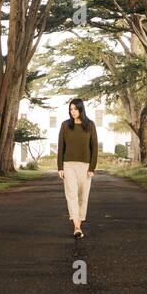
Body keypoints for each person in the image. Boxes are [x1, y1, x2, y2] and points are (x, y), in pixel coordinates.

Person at [57, 97, 98, 238]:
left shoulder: (90, 125)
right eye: (71, 109)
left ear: (81, 109)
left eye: (75, 109)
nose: (73, 112)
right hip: (68, 165)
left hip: (85, 166)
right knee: (71, 194)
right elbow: (61, 147)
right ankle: (76, 226)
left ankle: (79, 224)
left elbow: (94, 148)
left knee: (83, 196)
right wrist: (60, 167)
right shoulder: (65, 125)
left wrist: (92, 168)